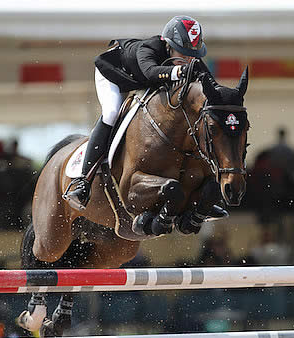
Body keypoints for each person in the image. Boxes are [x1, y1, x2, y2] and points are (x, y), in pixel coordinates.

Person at [64, 15, 209, 210]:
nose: (189, 59)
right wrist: (180, 72)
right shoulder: (148, 49)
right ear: (168, 45)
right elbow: (150, 73)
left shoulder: (190, 60)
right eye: (183, 54)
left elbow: (208, 86)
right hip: (114, 76)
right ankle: (83, 181)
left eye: (192, 54)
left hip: (142, 82)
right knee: (112, 112)